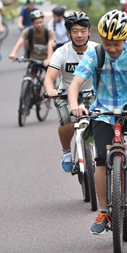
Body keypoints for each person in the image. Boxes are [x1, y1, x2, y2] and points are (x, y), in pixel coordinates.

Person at [69, 9, 127, 235]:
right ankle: (104, 211)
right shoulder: (95, 54)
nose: (111, 48)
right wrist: (75, 105)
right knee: (101, 160)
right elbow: (75, 85)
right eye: (107, 42)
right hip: (102, 108)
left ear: (126, 39)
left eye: (117, 44)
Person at [44, 12, 99, 172]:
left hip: (93, 94)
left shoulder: (97, 50)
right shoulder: (61, 52)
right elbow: (49, 77)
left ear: (89, 31)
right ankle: (66, 152)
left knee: (103, 124)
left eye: (83, 30)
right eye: (75, 31)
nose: (79, 35)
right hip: (65, 94)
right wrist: (50, 90)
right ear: (68, 33)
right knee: (68, 122)